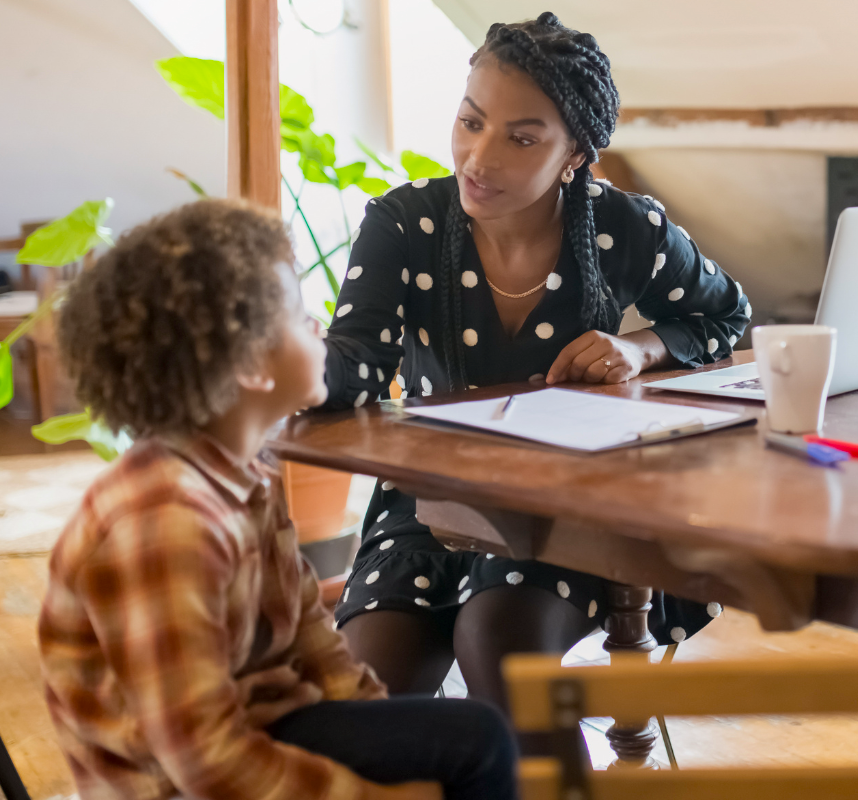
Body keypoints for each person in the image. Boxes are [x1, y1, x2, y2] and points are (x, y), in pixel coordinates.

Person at [320, 12, 752, 710]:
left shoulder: (625, 229)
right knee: (368, 691)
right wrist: (287, 363)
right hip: (430, 503)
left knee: (497, 644)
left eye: (521, 138)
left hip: (569, 509)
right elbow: (359, 363)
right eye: (470, 122)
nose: (478, 158)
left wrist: (639, 350)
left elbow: (726, 313)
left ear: (575, 154)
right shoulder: (404, 224)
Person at [38, 200, 517, 800]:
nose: (320, 325)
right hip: (174, 781)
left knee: (477, 738)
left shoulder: (241, 471)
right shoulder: (165, 524)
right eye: (298, 314)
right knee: (477, 752)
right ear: (249, 367)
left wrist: (376, 720)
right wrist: (375, 796)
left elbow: (305, 634)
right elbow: (209, 763)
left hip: (263, 721)